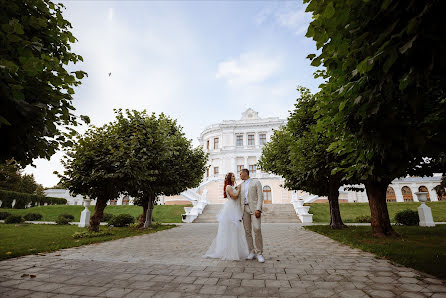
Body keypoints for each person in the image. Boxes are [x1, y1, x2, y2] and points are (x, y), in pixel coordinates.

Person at [203, 172, 249, 260]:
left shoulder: (232, 187)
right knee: (231, 230)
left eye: (234, 176)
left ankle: (237, 251)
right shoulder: (228, 187)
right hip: (231, 210)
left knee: (236, 230)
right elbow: (234, 196)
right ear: (228, 178)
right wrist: (239, 189)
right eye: (232, 176)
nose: (234, 177)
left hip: (236, 208)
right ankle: (230, 252)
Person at [239, 168, 264, 263]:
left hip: (254, 209)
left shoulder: (256, 182)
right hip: (244, 209)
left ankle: (259, 253)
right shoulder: (241, 185)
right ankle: (251, 252)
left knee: (257, 229)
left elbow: (260, 196)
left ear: (245, 173)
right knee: (247, 231)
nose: (240, 176)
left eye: (240, 174)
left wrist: (258, 209)